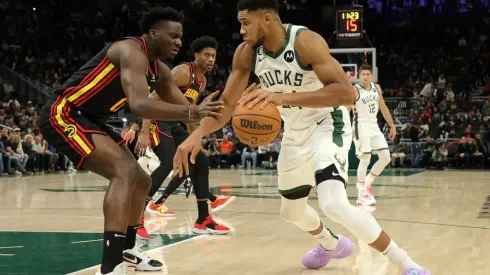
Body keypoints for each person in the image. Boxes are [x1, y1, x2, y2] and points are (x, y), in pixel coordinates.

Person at [172, 1, 430, 274]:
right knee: (291, 213)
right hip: (293, 134)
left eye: (246, 23)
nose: (241, 30)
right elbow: (226, 106)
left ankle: (406, 263)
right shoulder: (246, 53)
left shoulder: (304, 41)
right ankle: (331, 244)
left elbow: (346, 93)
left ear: (267, 19)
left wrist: (281, 97)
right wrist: (196, 135)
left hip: (327, 125)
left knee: (334, 204)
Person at [38, 7, 224, 275]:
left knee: (143, 179)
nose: (179, 42)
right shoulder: (130, 50)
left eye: (180, 37)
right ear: (152, 33)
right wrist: (193, 111)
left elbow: (186, 108)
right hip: (65, 112)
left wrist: (217, 115)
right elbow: (139, 105)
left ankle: (128, 251)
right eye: (173, 36)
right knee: (124, 172)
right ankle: (110, 265)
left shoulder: (159, 69)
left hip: (92, 119)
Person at [124, 36, 233, 237]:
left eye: (214, 56)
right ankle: (136, 218)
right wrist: (144, 131)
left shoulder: (201, 81)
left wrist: (195, 139)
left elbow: (189, 112)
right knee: (167, 163)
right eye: (207, 55)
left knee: (199, 159)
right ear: (196, 55)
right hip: (156, 119)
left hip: (173, 123)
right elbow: (151, 98)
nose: (211, 59)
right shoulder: (184, 72)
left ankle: (203, 220)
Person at [352, 64, 396, 206]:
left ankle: (367, 183)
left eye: (367, 74)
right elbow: (346, 108)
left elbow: (382, 107)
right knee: (365, 159)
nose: (365, 76)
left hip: (374, 126)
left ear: (371, 76)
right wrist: (347, 127)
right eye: (363, 74)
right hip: (360, 125)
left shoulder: (377, 88)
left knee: (386, 157)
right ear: (359, 76)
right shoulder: (354, 89)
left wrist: (391, 125)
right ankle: (361, 193)